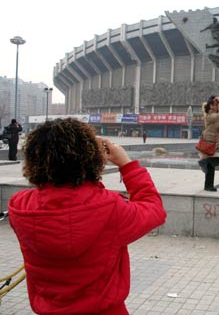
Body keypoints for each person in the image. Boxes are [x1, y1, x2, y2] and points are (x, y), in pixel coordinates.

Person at [8, 118, 166, 314]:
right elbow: (153, 208)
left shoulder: (20, 207)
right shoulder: (110, 208)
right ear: (92, 157)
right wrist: (126, 164)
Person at [198, 96, 219, 191]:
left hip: (216, 141)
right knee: (211, 166)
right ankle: (208, 186)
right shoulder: (209, 115)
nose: (216, 106)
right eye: (214, 105)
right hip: (209, 141)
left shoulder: (213, 113)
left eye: (217, 105)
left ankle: (205, 163)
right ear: (210, 106)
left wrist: (218, 102)